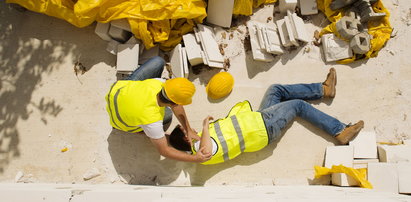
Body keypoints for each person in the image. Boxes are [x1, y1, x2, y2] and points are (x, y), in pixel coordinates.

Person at [169, 68, 364, 164]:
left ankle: (323, 89)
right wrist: (203, 127)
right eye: (185, 129)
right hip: (264, 129)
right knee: (297, 106)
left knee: (275, 90)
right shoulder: (201, 152)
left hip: (258, 120)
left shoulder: (197, 145)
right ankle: (340, 131)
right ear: (187, 138)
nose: (189, 128)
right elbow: (208, 150)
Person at [106, 56, 211, 163]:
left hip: (118, 90)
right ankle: (141, 131)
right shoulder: (152, 120)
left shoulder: (158, 83)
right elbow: (164, 151)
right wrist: (195, 158)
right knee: (168, 116)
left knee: (158, 62)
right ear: (173, 103)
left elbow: (175, 103)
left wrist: (188, 129)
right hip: (119, 122)